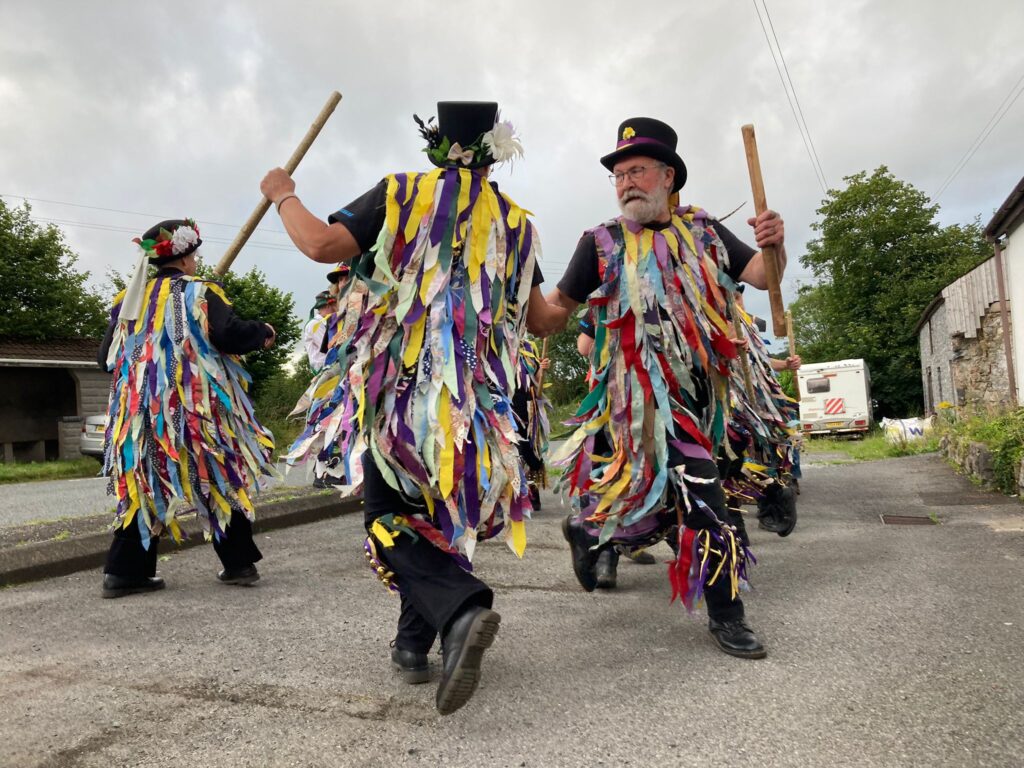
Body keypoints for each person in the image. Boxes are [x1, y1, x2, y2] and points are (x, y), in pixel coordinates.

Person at [260, 101, 568, 714]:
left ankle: (460, 608)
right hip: (474, 409)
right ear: (494, 153)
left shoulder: (399, 193)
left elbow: (321, 245)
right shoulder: (516, 222)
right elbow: (541, 320)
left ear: (436, 143)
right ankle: (412, 645)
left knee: (387, 520)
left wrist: (281, 195)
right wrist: (585, 290)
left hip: (400, 401)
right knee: (436, 519)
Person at [549, 117, 786, 659]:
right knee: (707, 502)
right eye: (619, 174)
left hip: (709, 403)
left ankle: (588, 531)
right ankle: (729, 615)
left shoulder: (703, 231)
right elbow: (554, 313)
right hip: (638, 408)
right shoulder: (600, 243)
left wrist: (776, 244)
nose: (626, 181)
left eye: (637, 171)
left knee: (659, 508)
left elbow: (763, 275)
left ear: (668, 177)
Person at [97, 219, 277, 598]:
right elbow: (229, 335)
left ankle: (124, 573)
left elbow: (105, 359)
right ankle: (239, 564)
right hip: (198, 411)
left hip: (143, 418)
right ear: (186, 257)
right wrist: (262, 331)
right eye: (195, 255)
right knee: (217, 479)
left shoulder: (127, 301)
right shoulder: (201, 292)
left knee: (144, 486)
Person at [301, 289, 336, 372]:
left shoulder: (324, 323)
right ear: (328, 306)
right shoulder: (315, 324)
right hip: (324, 368)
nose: (337, 309)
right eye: (335, 305)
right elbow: (329, 347)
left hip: (329, 366)